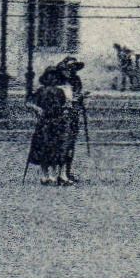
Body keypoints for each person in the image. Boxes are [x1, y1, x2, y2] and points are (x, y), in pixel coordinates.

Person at [26, 67, 71, 185]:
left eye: (55, 76)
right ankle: (45, 176)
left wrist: (65, 110)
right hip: (45, 123)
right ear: (45, 78)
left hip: (58, 122)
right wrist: (37, 109)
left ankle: (58, 175)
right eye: (50, 76)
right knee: (44, 149)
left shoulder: (60, 91)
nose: (53, 78)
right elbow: (29, 102)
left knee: (58, 149)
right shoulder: (40, 91)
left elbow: (65, 104)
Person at [56, 56, 86, 184]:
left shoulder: (76, 80)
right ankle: (57, 174)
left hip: (73, 115)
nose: (70, 71)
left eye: (73, 68)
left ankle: (66, 172)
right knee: (60, 144)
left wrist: (79, 98)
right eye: (68, 68)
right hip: (59, 115)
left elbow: (78, 94)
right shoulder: (57, 82)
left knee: (70, 144)